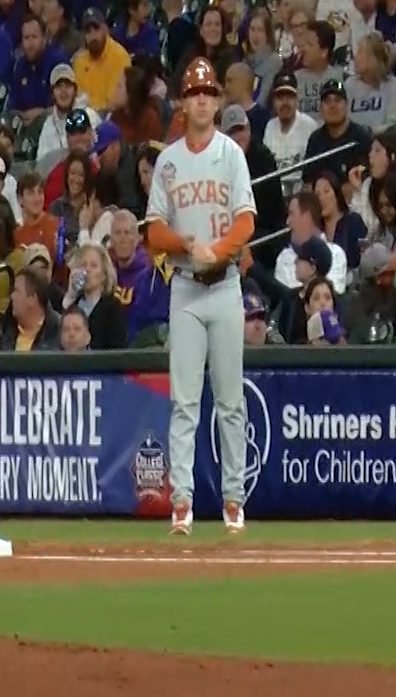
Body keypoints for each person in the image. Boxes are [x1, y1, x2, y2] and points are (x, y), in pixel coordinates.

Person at [144, 57, 255, 537]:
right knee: (185, 402)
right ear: (183, 103)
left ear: (217, 100)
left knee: (230, 401)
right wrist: (187, 245)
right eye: (195, 93)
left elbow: (246, 221)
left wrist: (219, 250)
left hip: (225, 282)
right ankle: (182, 503)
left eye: (209, 93)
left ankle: (233, 500)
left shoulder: (231, 154)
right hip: (187, 285)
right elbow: (153, 230)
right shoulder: (168, 161)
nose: (203, 100)